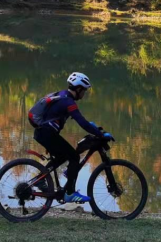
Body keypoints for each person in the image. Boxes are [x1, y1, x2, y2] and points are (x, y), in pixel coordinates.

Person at [28, 72, 113, 203]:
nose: (84, 94)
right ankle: (69, 193)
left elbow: (80, 120)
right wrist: (101, 134)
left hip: (43, 133)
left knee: (62, 156)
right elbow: (82, 122)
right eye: (84, 90)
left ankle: (39, 179)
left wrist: (94, 128)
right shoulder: (68, 102)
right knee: (74, 157)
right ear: (78, 89)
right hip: (46, 133)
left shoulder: (61, 95)